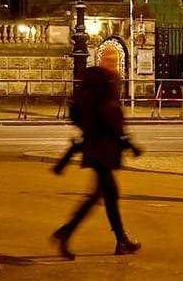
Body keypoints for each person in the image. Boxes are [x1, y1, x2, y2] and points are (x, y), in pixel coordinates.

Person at [51, 44, 141, 259]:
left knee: (109, 194)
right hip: (105, 147)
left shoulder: (87, 83)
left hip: (93, 144)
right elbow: (111, 115)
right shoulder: (107, 83)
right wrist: (126, 141)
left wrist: (87, 129)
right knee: (99, 196)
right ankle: (66, 232)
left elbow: (74, 113)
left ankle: (121, 240)